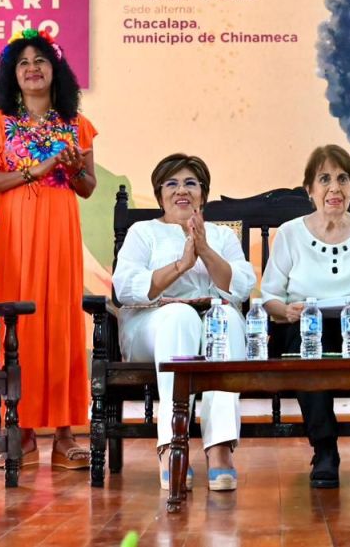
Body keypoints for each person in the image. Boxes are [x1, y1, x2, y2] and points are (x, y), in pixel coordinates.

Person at [0, 27, 97, 470]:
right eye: (23, 62)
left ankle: (65, 434)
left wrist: (72, 169)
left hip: (60, 230)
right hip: (11, 230)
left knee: (60, 320)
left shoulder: (77, 125)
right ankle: (19, 430)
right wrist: (34, 171)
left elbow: (87, 187)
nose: (32, 68)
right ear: (12, 73)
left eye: (40, 60)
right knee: (16, 324)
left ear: (55, 69)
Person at [261, 145, 350, 488]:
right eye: (324, 179)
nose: (334, 188)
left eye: (343, 179)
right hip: (305, 325)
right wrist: (287, 312)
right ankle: (324, 450)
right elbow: (270, 297)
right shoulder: (290, 232)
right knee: (306, 346)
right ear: (309, 189)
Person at [112, 154, 254, 491]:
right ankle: (171, 446)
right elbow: (125, 287)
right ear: (160, 194)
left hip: (210, 324)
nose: (181, 191)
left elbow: (241, 286)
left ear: (203, 194)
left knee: (226, 319)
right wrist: (180, 265)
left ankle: (220, 448)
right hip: (152, 326)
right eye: (172, 184)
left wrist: (204, 249)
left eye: (190, 183)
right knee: (180, 316)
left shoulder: (221, 236)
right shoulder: (143, 232)